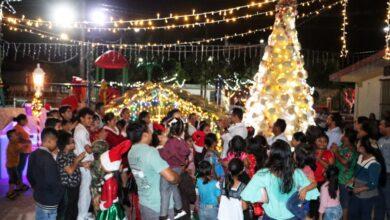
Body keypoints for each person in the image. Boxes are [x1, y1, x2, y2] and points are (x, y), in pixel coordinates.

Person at [241, 140, 320, 220]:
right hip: (292, 217)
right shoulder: (297, 173)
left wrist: (262, 196)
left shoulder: (263, 174)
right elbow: (313, 193)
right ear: (289, 155)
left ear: (271, 156)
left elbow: (246, 196)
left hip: (271, 217)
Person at [127, 122, 180, 219]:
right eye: (149, 130)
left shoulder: (131, 152)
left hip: (144, 202)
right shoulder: (150, 152)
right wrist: (178, 176)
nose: (152, 133)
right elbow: (171, 178)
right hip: (159, 205)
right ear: (145, 135)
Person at [27, 128, 64, 220]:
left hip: (39, 196)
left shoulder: (33, 153)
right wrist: (58, 194)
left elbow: (29, 175)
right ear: (49, 140)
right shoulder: (48, 158)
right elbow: (52, 181)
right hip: (49, 199)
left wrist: (36, 188)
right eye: (56, 141)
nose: (57, 144)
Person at [158, 118, 190, 219]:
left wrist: (160, 147)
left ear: (170, 129)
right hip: (178, 168)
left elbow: (165, 156)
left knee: (164, 190)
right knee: (173, 187)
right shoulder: (182, 141)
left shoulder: (171, 142)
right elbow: (186, 153)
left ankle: (163, 215)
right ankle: (179, 208)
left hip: (170, 168)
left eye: (167, 127)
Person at [348, 136, 385, 220]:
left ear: (364, 148)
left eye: (358, 143)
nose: (356, 144)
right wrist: (352, 179)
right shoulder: (361, 156)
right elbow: (357, 172)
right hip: (357, 193)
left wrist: (359, 189)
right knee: (353, 214)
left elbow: (373, 183)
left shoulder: (374, 164)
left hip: (366, 196)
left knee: (365, 215)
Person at [96, 140, 131, 219]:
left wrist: (101, 206)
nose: (100, 165)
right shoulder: (111, 179)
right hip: (111, 206)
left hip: (109, 209)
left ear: (108, 166)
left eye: (102, 163)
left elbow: (109, 202)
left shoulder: (109, 182)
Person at [56, 131, 85, 220]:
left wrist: (83, 164)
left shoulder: (71, 153)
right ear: (66, 145)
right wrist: (77, 160)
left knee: (73, 207)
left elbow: (74, 163)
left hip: (75, 186)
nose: (74, 143)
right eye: (72, 142)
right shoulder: (61, 156)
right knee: (66, 209)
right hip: (67, 187)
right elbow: (70, 171)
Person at [330, 128, 358, 220]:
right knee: (339, 202)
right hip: (339, 177)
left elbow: (345, 161)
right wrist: (334, 150)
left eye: (344, 134)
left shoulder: (350, 149)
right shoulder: (342, 146)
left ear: (347, 137)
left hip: (345, 180)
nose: (341, 135)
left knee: (345, 204)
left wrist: (336, 152)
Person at [74, 107, 95, 220]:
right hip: (84, 164)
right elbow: (89, 149)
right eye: (88, 118)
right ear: (81, 118)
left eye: (91, 118)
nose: (91, 120)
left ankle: (84, 213)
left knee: (86, 190)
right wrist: (98, 145)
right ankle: (81, 216)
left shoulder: (81, 128)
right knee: (85, 191)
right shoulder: (82, 130)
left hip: (84, 162)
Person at [311, 133, 334, 219]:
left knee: (322, 203)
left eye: (325, 141)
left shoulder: (328, 153)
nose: (322, 143)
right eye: (320, 141)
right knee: (313, 203)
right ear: (315, 141)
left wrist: (319, 159)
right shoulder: (312, 152)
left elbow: (331, 167)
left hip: (323, 182)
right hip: (312, 182)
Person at [6, 129, 26, 199]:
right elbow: (19, 149)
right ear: (11, 138)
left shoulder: (13, 142)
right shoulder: (12, 145)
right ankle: (10, 192)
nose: (17, 136)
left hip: (13, 165)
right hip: (11, 165)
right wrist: (24, 145)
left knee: (14, 178)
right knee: (12, 180)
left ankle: (18, 187)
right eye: (15, 135)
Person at [378, 117, 390, 219]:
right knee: (380, 202)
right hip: (380, 174)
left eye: (381, 125)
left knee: (388, 201)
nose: (379, 126)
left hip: (388, 174)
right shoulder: (380, 140)